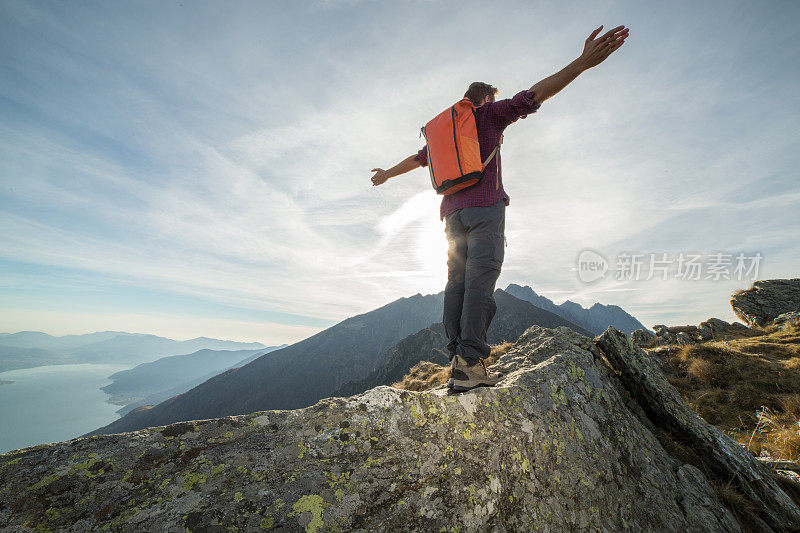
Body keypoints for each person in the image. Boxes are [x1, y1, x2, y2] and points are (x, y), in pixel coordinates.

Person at [371, 25, 629, 391]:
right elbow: (536, 94)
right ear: (488, 99)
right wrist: (582, 63)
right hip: (485, 208)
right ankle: (469, 365)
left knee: (455, 283)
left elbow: (417, 160)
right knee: (480, 282)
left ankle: (457, 356)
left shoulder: (444, 134)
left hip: (450, 216)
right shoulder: (489, 116)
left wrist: (386, 175)